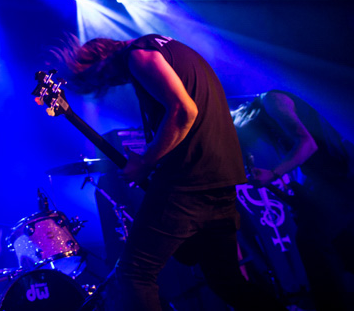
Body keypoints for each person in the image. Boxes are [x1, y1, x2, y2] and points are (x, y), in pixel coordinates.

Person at [51, 34, 283, 311]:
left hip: (189, 181)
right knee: (226, 281)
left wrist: (146, 161)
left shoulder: (139, 55)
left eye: (100, 77)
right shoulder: (165, 48)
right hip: (220, 178)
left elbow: (184, 111)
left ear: (101, 56)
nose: (108, 83)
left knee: (134, 274)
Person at [233, 91, 354, 311]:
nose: (254, 143)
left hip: (341, 181)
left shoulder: (271, 99)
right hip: (335, 184)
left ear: (244, 117)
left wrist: (274, 173)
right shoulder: (269, 125)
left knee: (310, 241)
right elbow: (307, 163)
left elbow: (307, 144)